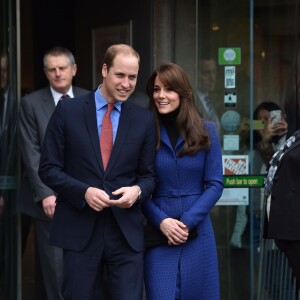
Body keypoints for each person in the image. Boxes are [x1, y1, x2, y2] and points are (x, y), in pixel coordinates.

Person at [38, 44, 157, 300]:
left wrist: (136, 191)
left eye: (132, 77)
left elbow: (149, 177)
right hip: (79, 230)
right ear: (104, 70)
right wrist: (84, 192)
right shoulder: (67, 111)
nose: (126, 83)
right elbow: (48, 169)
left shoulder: (144, 119)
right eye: (120, 75)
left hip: (126, 234)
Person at [142, 62, 223, 299]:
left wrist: (186, 222)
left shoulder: (207, 131)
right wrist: (162, 222)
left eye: (168, 89)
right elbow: (140, 187)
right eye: (156, 90)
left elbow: (216, 184)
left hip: (198, 233)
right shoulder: (145, 133)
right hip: (160, 234)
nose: (161, 96)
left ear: (183, 93)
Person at [19, 46, 90, 300]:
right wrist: (46, 194)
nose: (58, 74)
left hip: (84, 196)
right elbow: (31, 151)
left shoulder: (89, 99)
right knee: (54, 268)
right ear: (45, 72)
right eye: (52, 69)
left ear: (74, 70)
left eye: (63, 68)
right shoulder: (29, 104)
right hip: (48, 201)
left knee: (83, 266)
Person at [196, 56, 221, 131]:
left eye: (214, 72)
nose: (212, 78)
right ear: (196, 74)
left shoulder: (214, 100)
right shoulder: (191, 100)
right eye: (207, 73)